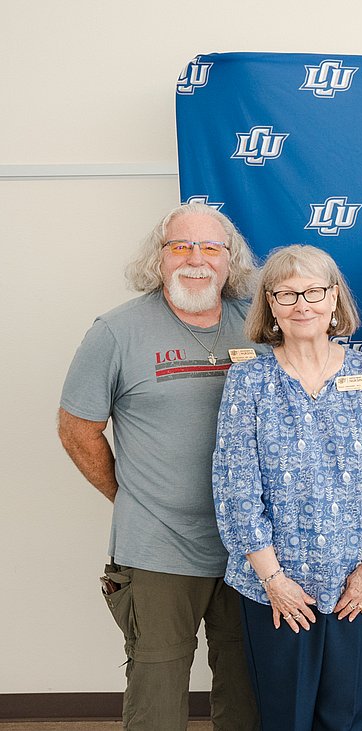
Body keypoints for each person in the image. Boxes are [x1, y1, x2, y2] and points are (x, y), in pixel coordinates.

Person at [57, 202, 260, 730]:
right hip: (157, 549)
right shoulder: (116, 331)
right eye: (181, 246)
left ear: (230, 260)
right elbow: (77, 428)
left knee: (247, 691)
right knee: (157, 697)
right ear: (159, 257)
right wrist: (129, 496)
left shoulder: (259, 324)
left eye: (211, 247)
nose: (196, 259)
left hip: (251, 549)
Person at [211, 245, 362, 731]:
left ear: (333, 300)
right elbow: (235, 486)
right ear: (271, 306)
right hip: (278, 589)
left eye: (314, 291)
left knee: (346, 716)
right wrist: (274, 581)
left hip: (357, 586)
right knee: (285, 717)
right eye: (287, 293)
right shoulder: (249, 381)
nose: (302, 303)